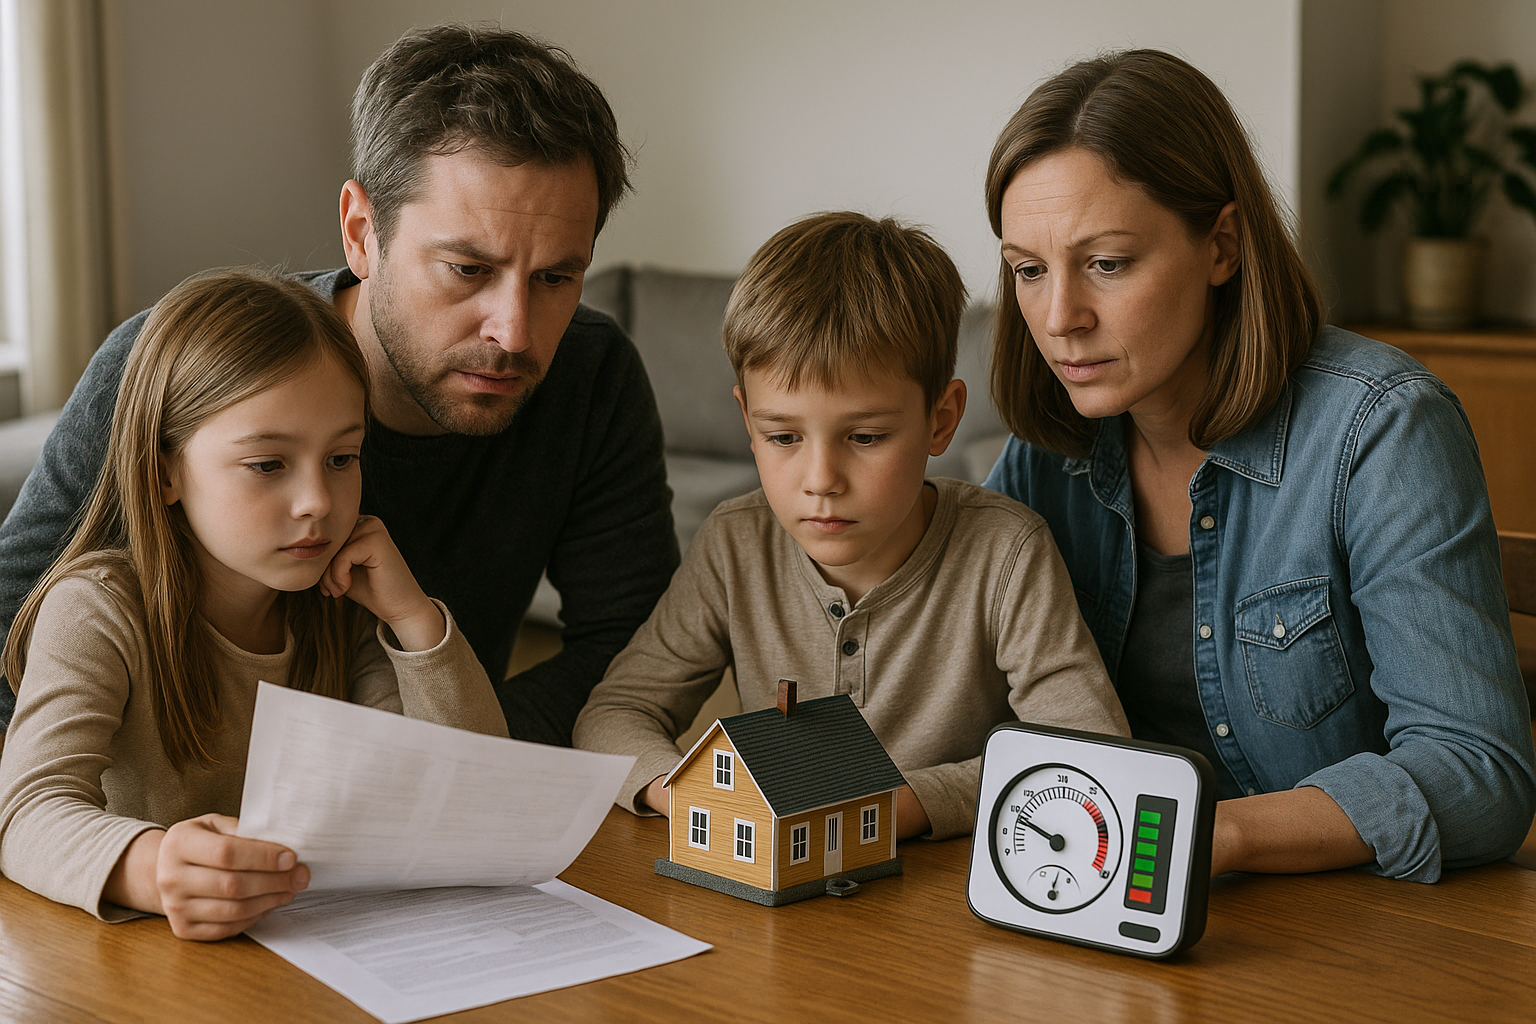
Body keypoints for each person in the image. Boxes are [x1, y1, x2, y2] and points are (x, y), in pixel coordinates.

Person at [0, 24, 678, 747]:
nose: (514, 332)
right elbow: (11, 626)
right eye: (467, 270)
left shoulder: (591, 375)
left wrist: (434, 759)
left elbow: (637, 651)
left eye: (555, 278)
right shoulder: (167, 366)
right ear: (361, 231)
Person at [980, 50, 1536, 881]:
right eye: (1028, 270)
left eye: (1107, 263)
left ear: (1223, 246)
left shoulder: (1381, 428)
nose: (1060, 318)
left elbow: (1479, 773)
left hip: (1343, 935)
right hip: (1098, 906)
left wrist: (1209, 838)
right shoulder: (1043, 458)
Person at [574, 212, 1128, 841]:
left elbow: (1088, 755)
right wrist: (690, 798)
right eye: (781, 436)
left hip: (951, 898)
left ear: (941, 420)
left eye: (865, 437)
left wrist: (911, 804)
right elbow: (615, 712)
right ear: (746, 420)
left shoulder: (1007, 553)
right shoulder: (735, 543)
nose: (820, 479)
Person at [0, 270, 510, 940]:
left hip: (310, 957)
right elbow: (28, 811)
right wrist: (151, 867)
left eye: (342, 458)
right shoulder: (96, 609)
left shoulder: (342, 607)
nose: (317, 504)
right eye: (268, 464)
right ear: (164, 472)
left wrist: (414, 619)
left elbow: (475, 803)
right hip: (139, 967)